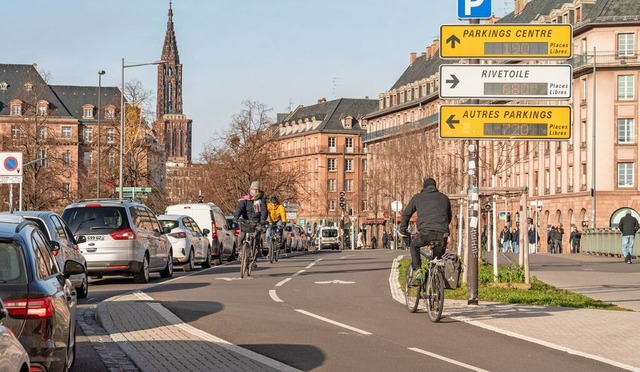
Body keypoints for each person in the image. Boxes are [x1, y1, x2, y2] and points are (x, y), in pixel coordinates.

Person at [397, 177, 452, 280]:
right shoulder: (444, 198)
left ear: (424, 187)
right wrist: (442, 227)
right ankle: (436, 282)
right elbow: (449, 216)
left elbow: (406, 214)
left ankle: (418, 270)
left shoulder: (418, 197)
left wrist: (402, 230)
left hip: (425, 232)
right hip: (442, 233)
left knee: (414, 245)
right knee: (436, 259)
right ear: (435, 187)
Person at [233, 181, 268, 267]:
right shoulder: (245, 199)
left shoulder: (261, 200)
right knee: (241, 236)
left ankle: (254, 260)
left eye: (257, 189)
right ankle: (241, 251)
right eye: (254, 189)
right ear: (250, 189)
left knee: (255, 239)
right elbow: (239, 208)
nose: (255, 191)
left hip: (257, 222)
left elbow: (264, 210)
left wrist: (263, 219)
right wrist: (236, 217)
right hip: (246, 221)